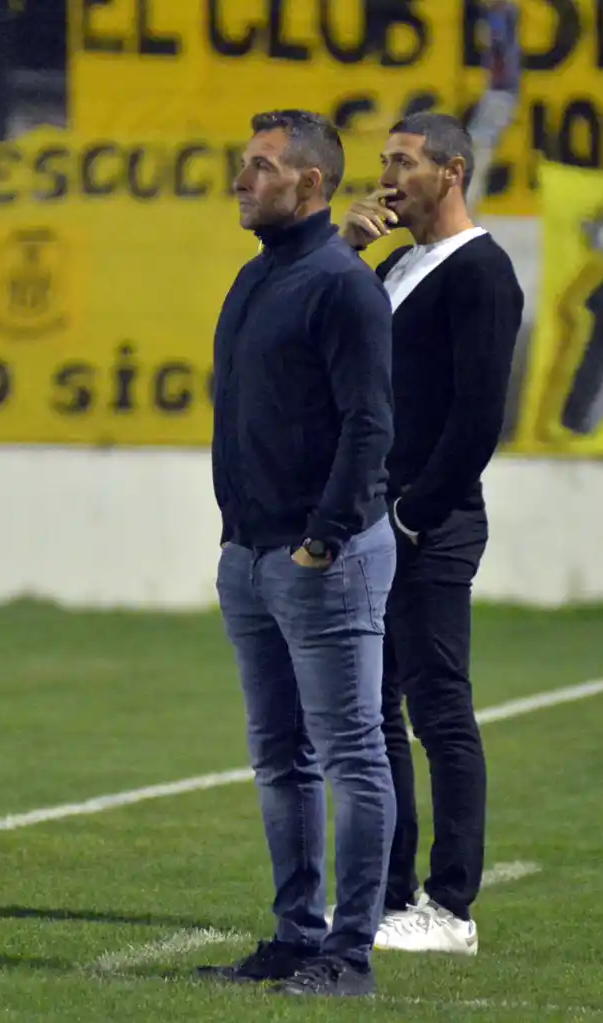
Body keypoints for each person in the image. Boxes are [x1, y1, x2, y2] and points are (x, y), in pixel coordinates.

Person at [197, 109, 399, 999]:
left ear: (311, 182)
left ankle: (348, 955)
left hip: (322, 559)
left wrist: (324, 537)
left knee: (351, 755)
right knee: (281, 758)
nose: (242, 180)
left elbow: (369, 425)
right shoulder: (259, 277)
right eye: (245, 164)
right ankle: (294, 936)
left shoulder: (343, 287)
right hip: (251, 556)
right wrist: (240, 541)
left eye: (261, 167)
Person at [338, 111, 524, 956]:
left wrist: (412, 514)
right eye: (385, 161)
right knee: (375, 711)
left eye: (404, 162)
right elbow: (331, 343)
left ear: (451, 172)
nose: (387, 177)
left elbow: (478, 416)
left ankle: (452, 908)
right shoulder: (396, 264)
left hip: (428, 523)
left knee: (439, 710)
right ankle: (391, 894)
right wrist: (346, 252)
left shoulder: (481, 271)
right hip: (375, 516)